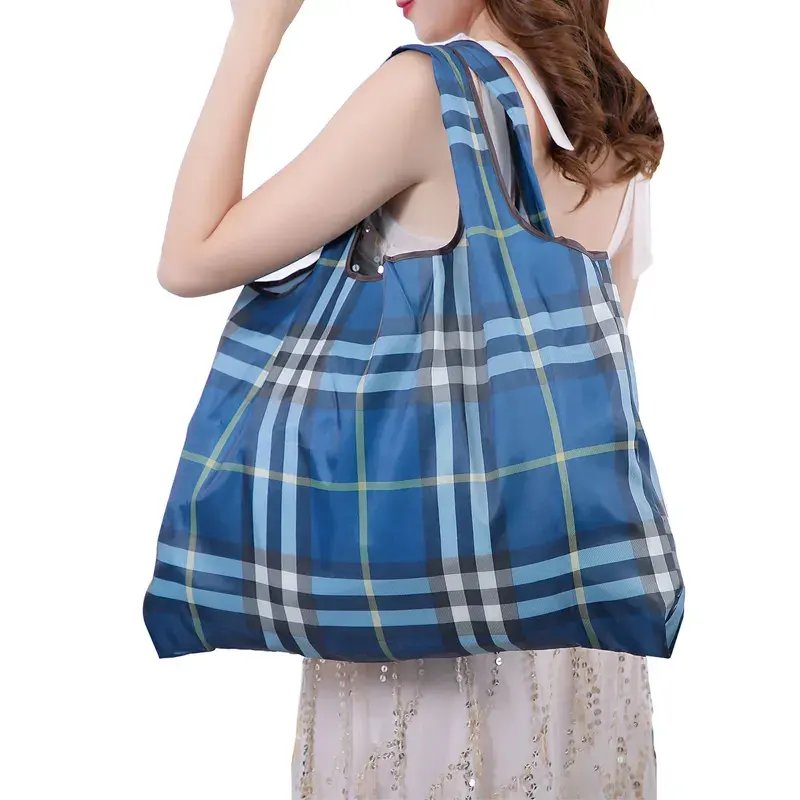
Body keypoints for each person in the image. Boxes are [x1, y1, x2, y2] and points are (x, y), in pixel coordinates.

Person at [156, 2, 662, 798]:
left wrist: (257, 28)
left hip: (416, 610)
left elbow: (190, 257)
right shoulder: (613, 122)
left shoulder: (429, 92)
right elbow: (580, 369)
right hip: (565, 612)